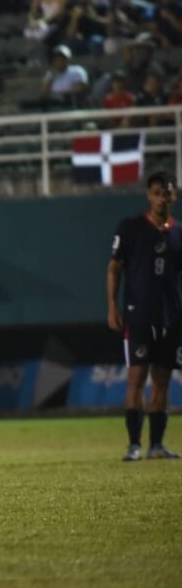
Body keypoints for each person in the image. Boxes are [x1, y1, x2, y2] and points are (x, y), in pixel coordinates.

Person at [107, 172, 182, 461]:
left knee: (162, 379)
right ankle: (134, 445)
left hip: (172, 317)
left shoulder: (178, 233)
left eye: (167, 193)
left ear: (174, 197)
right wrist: (112, 307)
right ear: (149, 196)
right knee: (136, 377)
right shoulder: (130, 228)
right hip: (138, 315)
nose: (162, 198)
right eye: (157, 193)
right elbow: (114, 268)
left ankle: (156, 445)